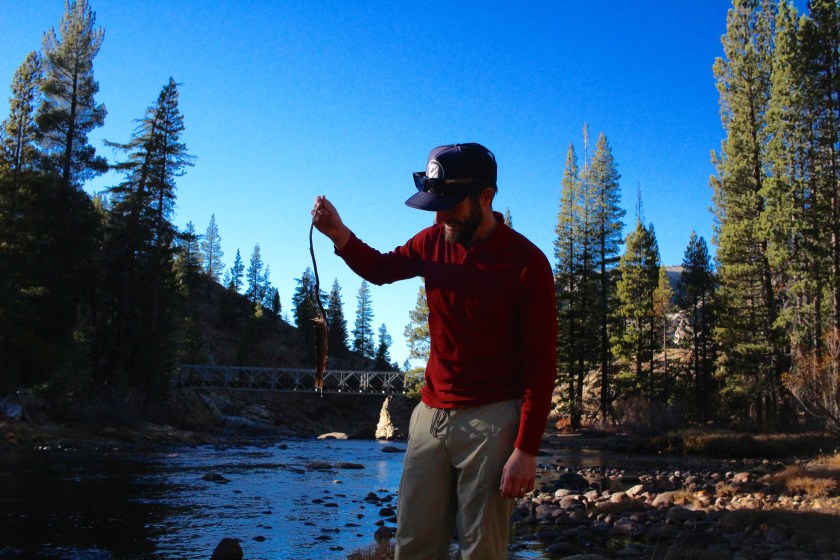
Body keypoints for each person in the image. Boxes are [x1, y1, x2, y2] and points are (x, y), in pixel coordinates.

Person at [311, 142, 557, 559]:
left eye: (450, 206)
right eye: (434, 207)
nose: (440, 218)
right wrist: (339, 233)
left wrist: (526, 449)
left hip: (492, 419)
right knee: (413, 545)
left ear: (486, 197)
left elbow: (541, 366)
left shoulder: (527, 264)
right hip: (430, 417)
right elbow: (381, 268)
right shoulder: (432, 241)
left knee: (482, 550)